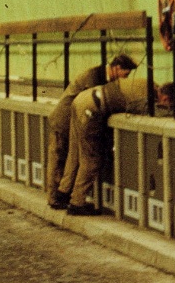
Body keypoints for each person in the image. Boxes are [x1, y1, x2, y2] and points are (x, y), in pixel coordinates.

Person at [47, 54, 137, 209]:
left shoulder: (100, 76)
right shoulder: (94, 76)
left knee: (70, 158)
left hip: (73, 121)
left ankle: (61, 197)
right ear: (117, 68)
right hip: (63, 120)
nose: (125, 79)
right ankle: (54, 199)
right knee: (58, 157)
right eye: (126, 74)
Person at [59, 75, 158, 215]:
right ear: (165, 97)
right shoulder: (147, 95)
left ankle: (63, 191)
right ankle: (77, 203)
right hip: (92, 107)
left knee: (75, 152)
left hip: (82, 99)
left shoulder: (146, 82)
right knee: (91, 159)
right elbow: (144, 114)